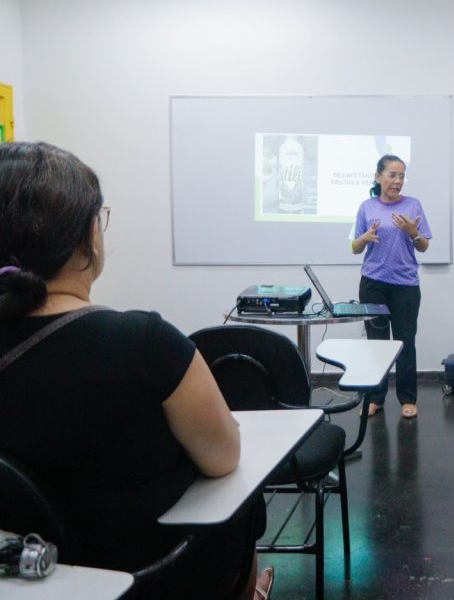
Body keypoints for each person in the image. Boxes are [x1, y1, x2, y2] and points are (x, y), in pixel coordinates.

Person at [0, 142, 271, 599]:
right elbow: (224, 458)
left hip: (27, 579)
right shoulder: (143, 343)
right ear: (90, 233)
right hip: (154, 576)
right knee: (246, 508)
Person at [351, 154, 432, 419]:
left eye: (401, 176)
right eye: (391, 175)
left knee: (404, 343)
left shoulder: (413, 205)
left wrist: (412, 232)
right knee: (377, 345)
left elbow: (423, 245)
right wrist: (364, 237)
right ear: (378, 177)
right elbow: (355, 248)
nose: (397, 181)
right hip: (373, 284)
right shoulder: (367, 207)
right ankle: (376, 398)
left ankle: (408, 399)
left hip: (405, 286)